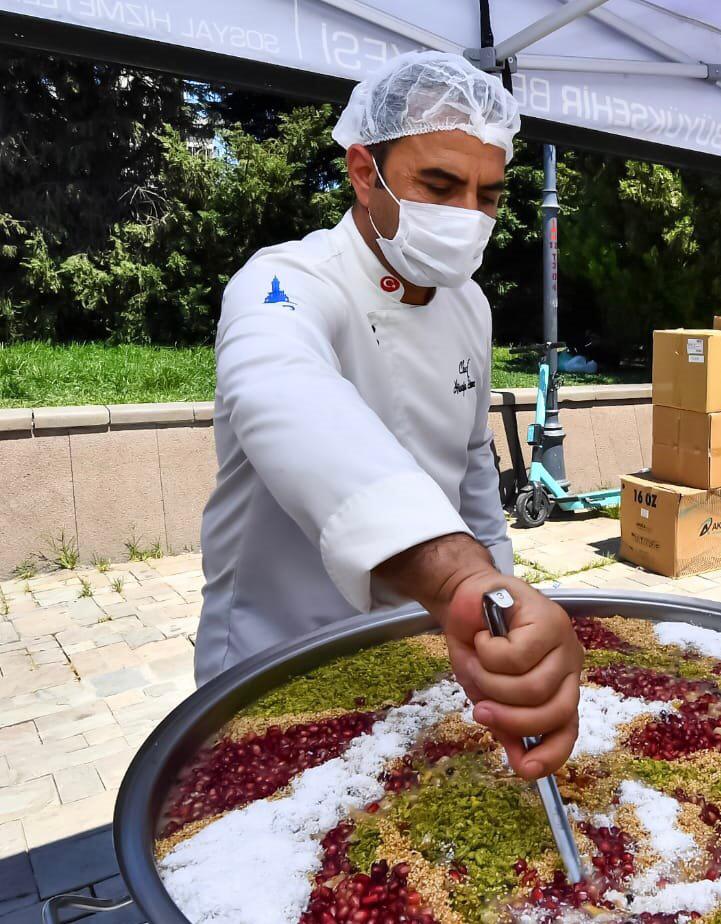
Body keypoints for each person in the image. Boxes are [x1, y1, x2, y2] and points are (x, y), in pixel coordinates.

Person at [196, 52, 580, 780]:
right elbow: (282, 392)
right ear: (363, 170)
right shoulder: (285, 280)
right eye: (439, 184)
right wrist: (458, 580)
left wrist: (496, 605)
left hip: (416, 652)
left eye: (488, 194)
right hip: (274, 654)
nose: (467, 215)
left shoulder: (470, 304)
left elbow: (472, 468)